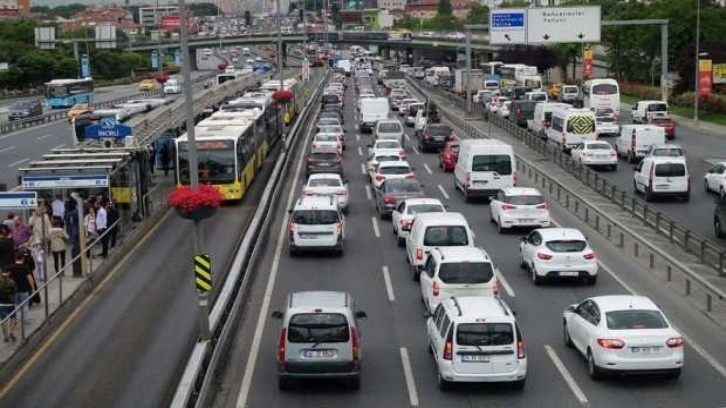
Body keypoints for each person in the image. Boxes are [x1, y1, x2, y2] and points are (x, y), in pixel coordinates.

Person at [6, 252, 33, 326]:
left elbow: (6, 277)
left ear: (15, 258)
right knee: (25, 306)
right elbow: (30, 278)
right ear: (23, 259)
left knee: (16, 306)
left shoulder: (10, 268)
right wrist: (32, 288)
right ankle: (26, 321)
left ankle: (16, 320)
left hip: (14, 290)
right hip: (24, 289)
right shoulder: (25, 267)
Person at [0, 270, 17, 342]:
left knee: (3, 321)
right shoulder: (12, 282)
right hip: (11, 303)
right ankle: (11, 333)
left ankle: (5, 336)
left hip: (1, 304)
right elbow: (15, 291)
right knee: (12, 319)